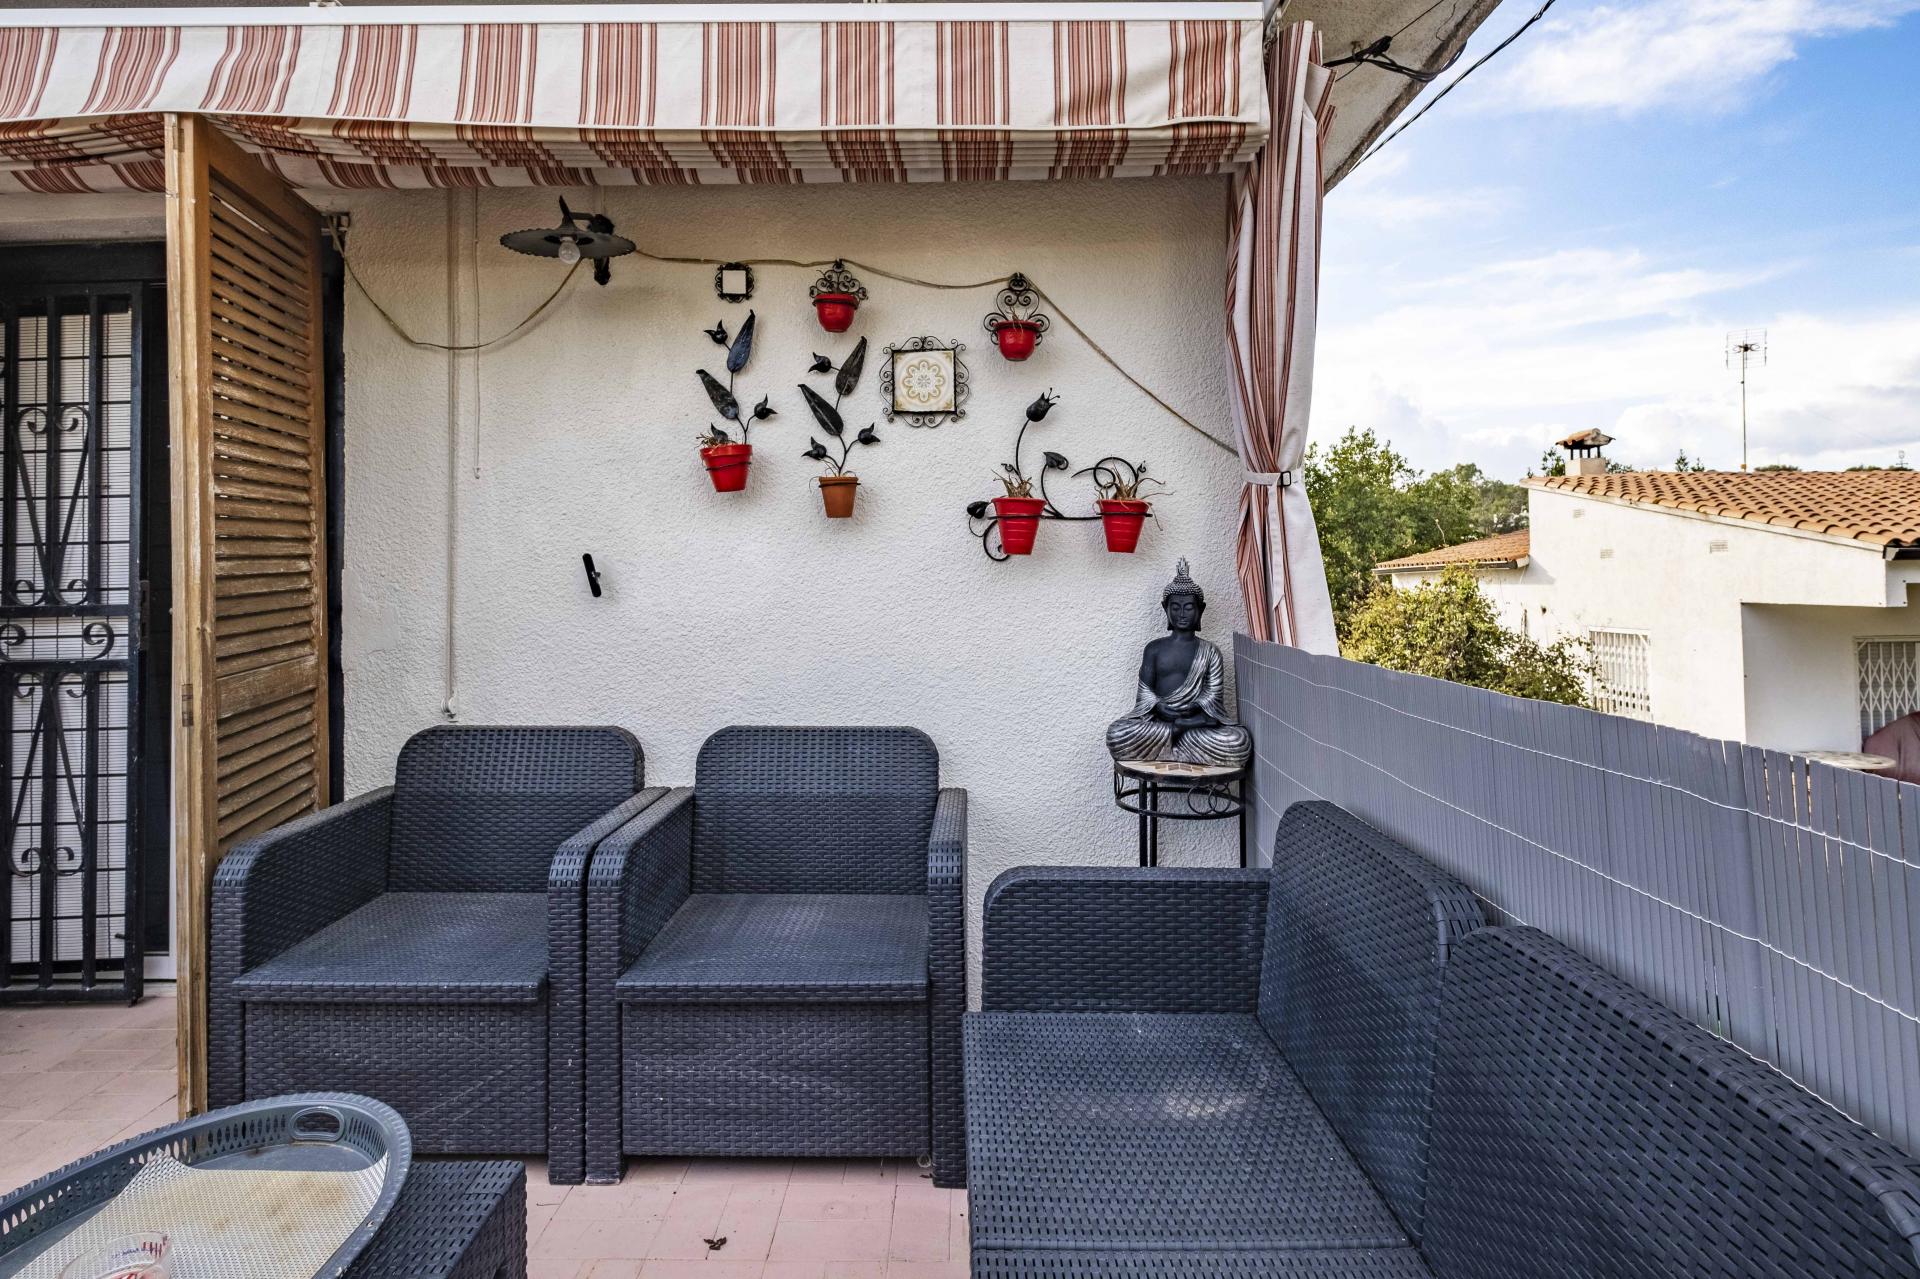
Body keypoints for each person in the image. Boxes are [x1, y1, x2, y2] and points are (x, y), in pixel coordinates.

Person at [1105, 559, 1252, 768]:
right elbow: (1144, 694)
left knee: (1238, 741)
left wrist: (1192, 714)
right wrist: (1158, 706)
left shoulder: (1210, 652)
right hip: (1160, 723)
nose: (1182, 614)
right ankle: (1177, 739)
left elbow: (1213, 700)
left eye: (1188, 607)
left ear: (1200, 610)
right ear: (1165, 608)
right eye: (1175, 607)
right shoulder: (1154, 649)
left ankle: (1174, 740)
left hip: (1195, 724)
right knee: (1117, 734)